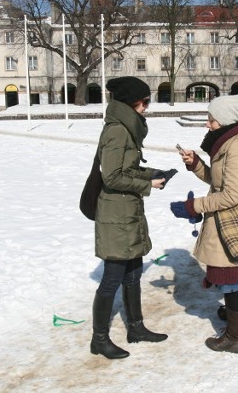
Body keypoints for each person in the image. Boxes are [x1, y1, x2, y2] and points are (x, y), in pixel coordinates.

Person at [90, 76, 172, 359]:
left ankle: (136, 328)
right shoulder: (117, 131)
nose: (147, 107)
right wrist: (147, 185)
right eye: (145, 101)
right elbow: (111, 177)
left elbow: (127, 169)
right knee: (112, 278)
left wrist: (153, 174)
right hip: (116, 215)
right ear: (131, 102)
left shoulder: (128, 129)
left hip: (128, 211)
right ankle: (99, 340)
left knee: (133, 273)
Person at [169, 93, 238, 354]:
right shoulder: (227, 143)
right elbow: (219, 182)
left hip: (232, 226)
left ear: (227, 121)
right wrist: (196, 164)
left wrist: (193, 206)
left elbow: (233, 195)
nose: (208, 125)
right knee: (229, 279)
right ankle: (232, 315)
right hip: (224, 221)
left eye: (212, 120)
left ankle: (234, 337)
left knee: (232, 281)